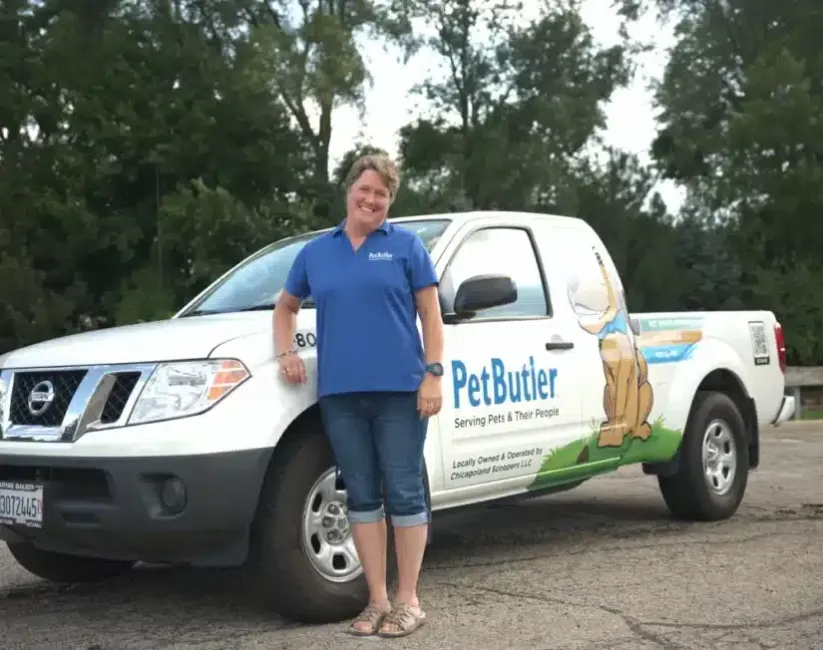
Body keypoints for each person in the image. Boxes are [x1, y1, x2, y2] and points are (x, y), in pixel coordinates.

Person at [272, 153, 444, 638]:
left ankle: (409, 601)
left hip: (400, 392)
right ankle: (376, 600)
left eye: (382, 195)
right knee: (362, 496)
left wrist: (432, 374)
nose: (371, 201)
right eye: (364, 190)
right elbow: (285, 307)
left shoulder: (407, 246)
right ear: (349, 191)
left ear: (390, 201)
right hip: (341, 394)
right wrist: (284, 350)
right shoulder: (316, 252)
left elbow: (431, 314)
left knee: (405, 491)